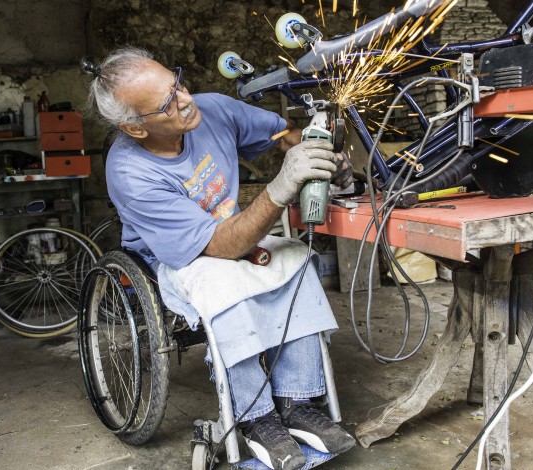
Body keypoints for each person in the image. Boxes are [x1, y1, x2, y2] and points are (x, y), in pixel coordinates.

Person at [82, 47, 355, 470]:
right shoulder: (130, 171)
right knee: (223, 285)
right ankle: (256, 417)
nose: (185, 99)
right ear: (134, 128)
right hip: (175, 263)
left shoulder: (211, 109)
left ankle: (297, 401)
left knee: (298, 260)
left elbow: (285, 136)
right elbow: (218, 248)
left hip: (232, 237)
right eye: (167, 103)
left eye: (177, 84)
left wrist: (322, 149)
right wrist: (282, 187)